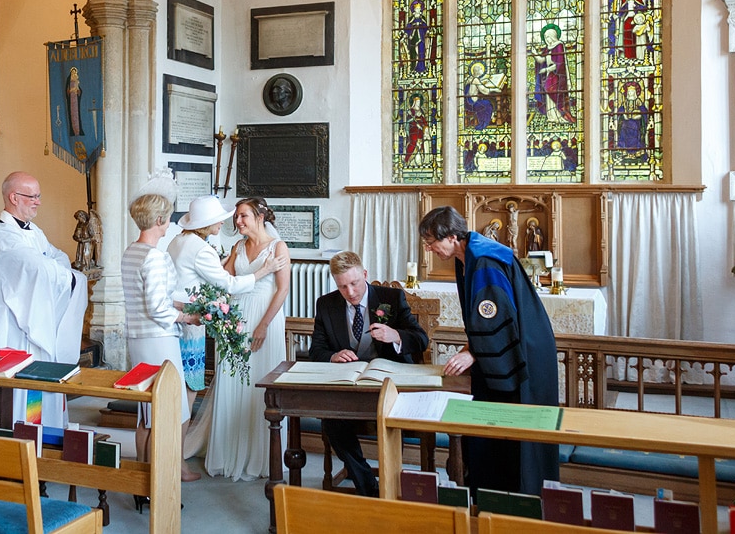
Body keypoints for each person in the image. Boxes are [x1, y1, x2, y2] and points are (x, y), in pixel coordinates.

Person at [418, 206, 559, 496]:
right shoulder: (469, 255)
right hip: (515, 343)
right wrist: (474, 346)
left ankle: (514, 499)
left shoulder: (484, 261)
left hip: (521, 354)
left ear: (452, 237)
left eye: (431, 241)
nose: (429, 248)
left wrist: (474, 353)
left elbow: (495, 316)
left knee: (511, 430)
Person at [308, 251, 429, 497]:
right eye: (342, 287)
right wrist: (333, 356)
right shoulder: (326, 304)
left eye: (354, 283)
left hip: (389, 385)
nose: (350, 292)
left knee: (391, 417)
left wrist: (396, 336)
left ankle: (393, 481)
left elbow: (421, 339)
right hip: (349, 386)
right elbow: (316, 350)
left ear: (364, 275)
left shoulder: (391, 298)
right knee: (331, 419)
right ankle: (368, 486)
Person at [167, 195, 278, 449]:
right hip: (188, 323)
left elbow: (199, 273)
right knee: (189, 390)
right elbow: (227, 283)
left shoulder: (178, 240)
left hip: (174, 320)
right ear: (207, 223)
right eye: (219, 220)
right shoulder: (200, 248)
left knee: (178, 388)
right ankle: (176, 458)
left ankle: (169, 454)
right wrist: (263, 271)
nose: (224, 224)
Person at [0, 172, 87, 430]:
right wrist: (64, 275)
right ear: (14, 197)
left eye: (39, 196)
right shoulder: (0, 235)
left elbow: (57, 258)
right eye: (33, 196)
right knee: (20, 389)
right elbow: (36, 269)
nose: (38, 201)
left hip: (35, 322)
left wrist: (61, 273)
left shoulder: (33, 232)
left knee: (39, 381)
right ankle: (17, 439)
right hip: (13, 330)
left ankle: (43, 438)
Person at [205, 197, 290, 481]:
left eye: (243, 216)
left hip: (265, 316)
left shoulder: (279, 248)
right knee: (232, 381)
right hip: (237, 318)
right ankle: (230, 453)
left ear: (260, 216)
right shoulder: (237, 247)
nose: (238, 222)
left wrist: (264, 325)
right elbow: (223, 282)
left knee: (260, 384)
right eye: (236, 217)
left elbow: (282, 290)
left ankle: (264, 456)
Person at [121, 188, 200, 484]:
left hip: (138, 337)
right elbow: (156, 307)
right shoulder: (154, 256)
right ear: (158, 219)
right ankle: (161, 478)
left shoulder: (132, 251)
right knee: (169, 407)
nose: (170, 222)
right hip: (158, 338)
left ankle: (142, 476)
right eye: (167, 217)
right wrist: (186, 317)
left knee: (146, 410)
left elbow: (150, 298)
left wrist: (182, 303)